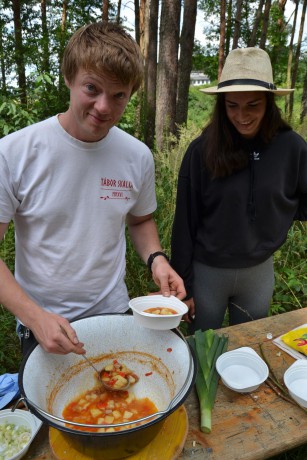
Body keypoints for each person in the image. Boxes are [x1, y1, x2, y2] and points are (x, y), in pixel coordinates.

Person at [0, 21, 186, 357]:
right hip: (44, 324)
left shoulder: (137, 156)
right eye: (92, 88)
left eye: (118, 95)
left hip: (114, 313)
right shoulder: (14, 153)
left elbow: (140, 220)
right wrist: (34, 317)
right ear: (69, 77)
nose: (104, 107)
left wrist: (157, 260)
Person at [171, 47, 307, 333]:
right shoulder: (202, 151)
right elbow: (185, 222)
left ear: (269, 102)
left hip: (258, 274)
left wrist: (278, 213)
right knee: (201, 353)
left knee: (248, 353)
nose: (241, 115)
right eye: (232, 105)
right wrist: (184, 284)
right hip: (207, 273)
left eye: (252, 105)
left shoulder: (292, 148)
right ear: (222, 105)